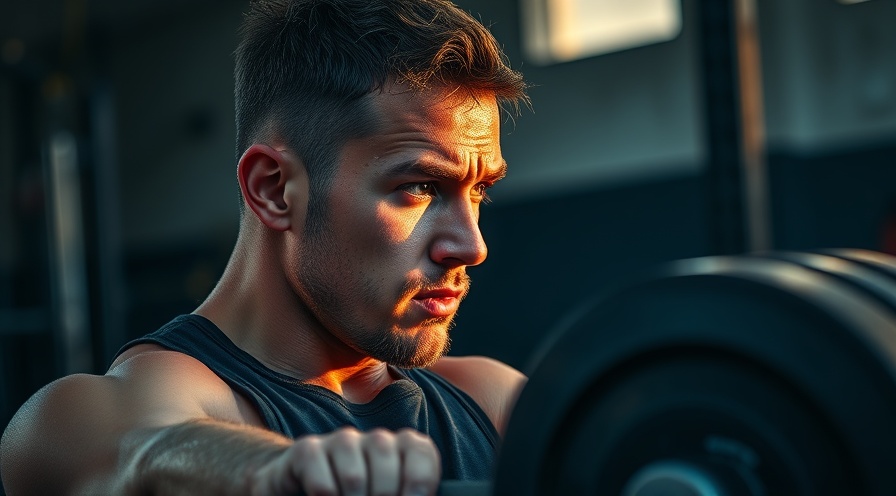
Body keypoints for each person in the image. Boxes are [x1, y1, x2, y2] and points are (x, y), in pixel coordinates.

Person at [1, 0, 530, 494]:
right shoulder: (145, 401)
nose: (471, 245)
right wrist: (278, 469)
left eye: (479, 190)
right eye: (419, 186)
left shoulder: (495, 403)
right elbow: (135, 448)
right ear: (274, 189)